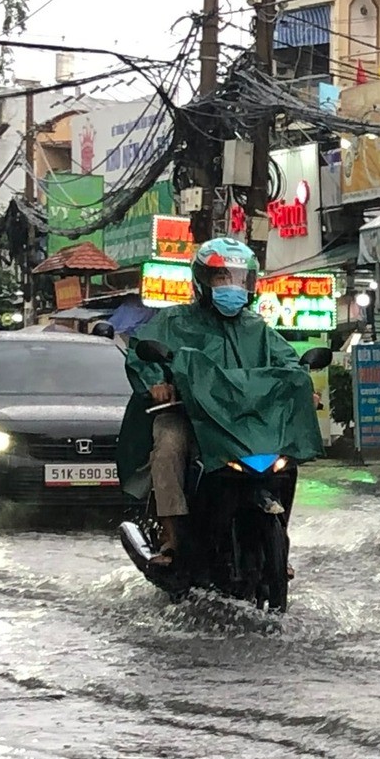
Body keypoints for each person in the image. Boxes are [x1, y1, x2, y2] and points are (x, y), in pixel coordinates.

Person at [122, 239, 309, 572]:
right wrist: (156, 384)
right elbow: (141, 354)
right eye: (222, 279)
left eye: (239, 279)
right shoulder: (174, 321)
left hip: (241, 422)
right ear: (202, 281)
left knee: (285, 463)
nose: (232, 288)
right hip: (187, 414)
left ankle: (280, 540)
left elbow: (288, 363)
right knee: (167, 449)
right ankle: (172, 535)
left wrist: (301, 386)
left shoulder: (257, 328)